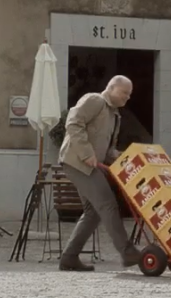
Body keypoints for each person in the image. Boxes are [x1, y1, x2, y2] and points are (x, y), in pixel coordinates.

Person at [57, 75, 144, 272]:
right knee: (107, 204)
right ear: (111, 88)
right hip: (78, 163)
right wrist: (87, 153)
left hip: (89, 165)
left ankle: (69, 258)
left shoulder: (115, 115)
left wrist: (123, 158)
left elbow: (108, 149)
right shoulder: (94, 100)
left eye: (129, 95)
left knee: (93, 212)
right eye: (124, 93)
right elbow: (73, 122)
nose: (127, 98)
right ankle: (127, 251)